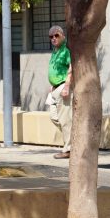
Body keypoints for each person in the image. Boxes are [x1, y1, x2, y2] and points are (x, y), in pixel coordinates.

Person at [46, 25, 72, 159]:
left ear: (62, 35)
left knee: (65, 119)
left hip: (63, 87)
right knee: (54, 117)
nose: (53, 38)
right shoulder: (55, 51)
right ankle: (72, 139)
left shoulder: (66, 50)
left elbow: (71, 69)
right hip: (55, 88)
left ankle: (68, 149)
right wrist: (53, 85)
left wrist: (66, 86)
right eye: (51, 37)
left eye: (56, 35)